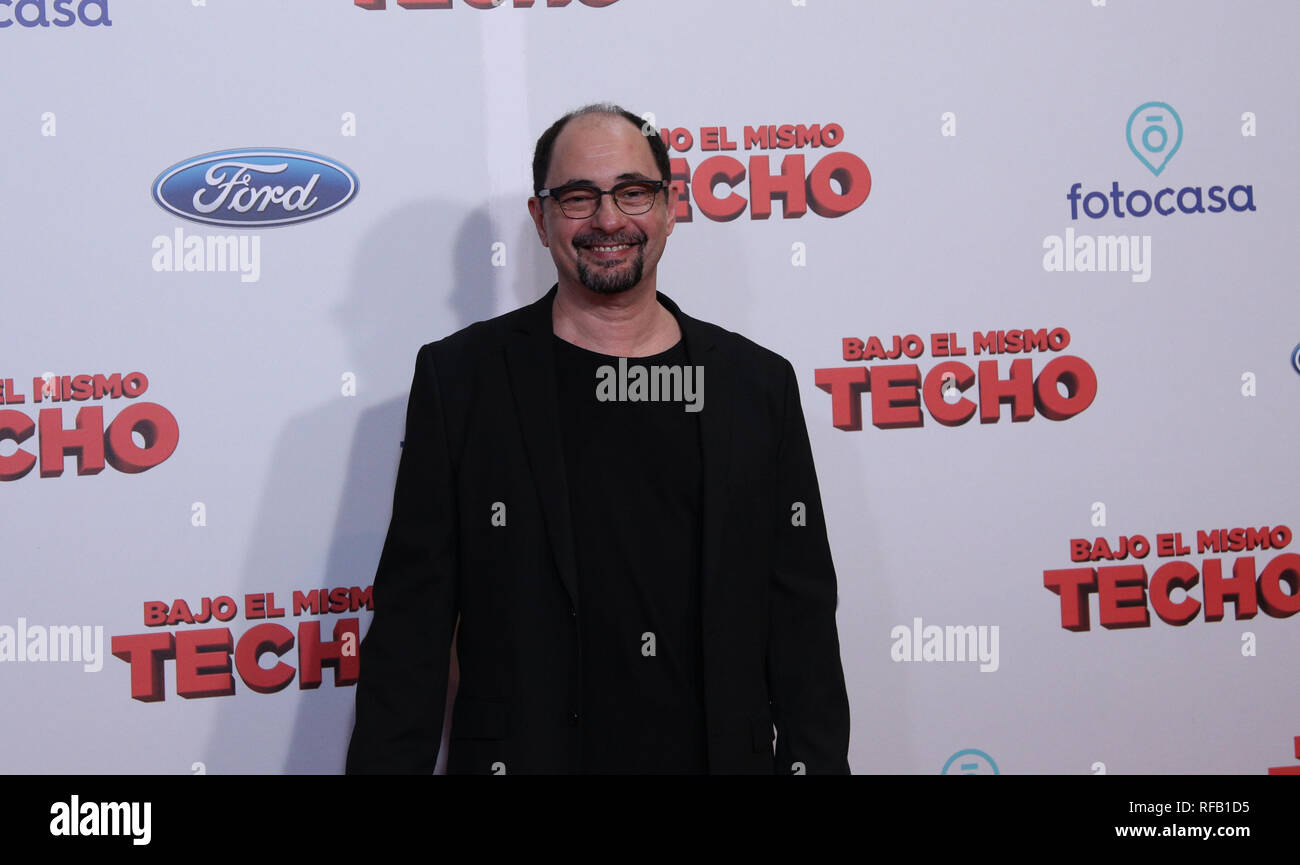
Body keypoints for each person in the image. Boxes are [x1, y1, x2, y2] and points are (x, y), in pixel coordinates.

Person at [346, 103, 850, 774]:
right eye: (579, 197)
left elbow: (803, 630)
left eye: (632, 192)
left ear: (669, 208)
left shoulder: (755, 386)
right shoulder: (462, 381)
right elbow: (412, 633)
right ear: (541, 216)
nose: (608, 220)